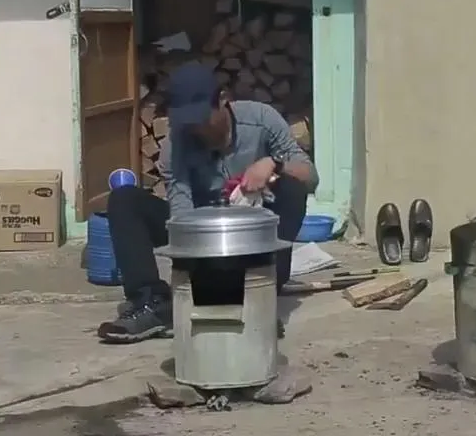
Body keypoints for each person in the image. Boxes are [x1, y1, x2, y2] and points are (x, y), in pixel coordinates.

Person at [97, 62, 318, 343]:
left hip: (255, 240)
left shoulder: (262, 120)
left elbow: (311, 177)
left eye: (202, 119)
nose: (197, 129)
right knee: (125, 200)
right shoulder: (176, 145)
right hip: (202, 236)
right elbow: (181, 216)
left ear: (223, 100)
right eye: (188, 122)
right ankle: (152, 302)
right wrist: (193, 286)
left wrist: (273, 163)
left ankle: (258, 298)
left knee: (292, 187)